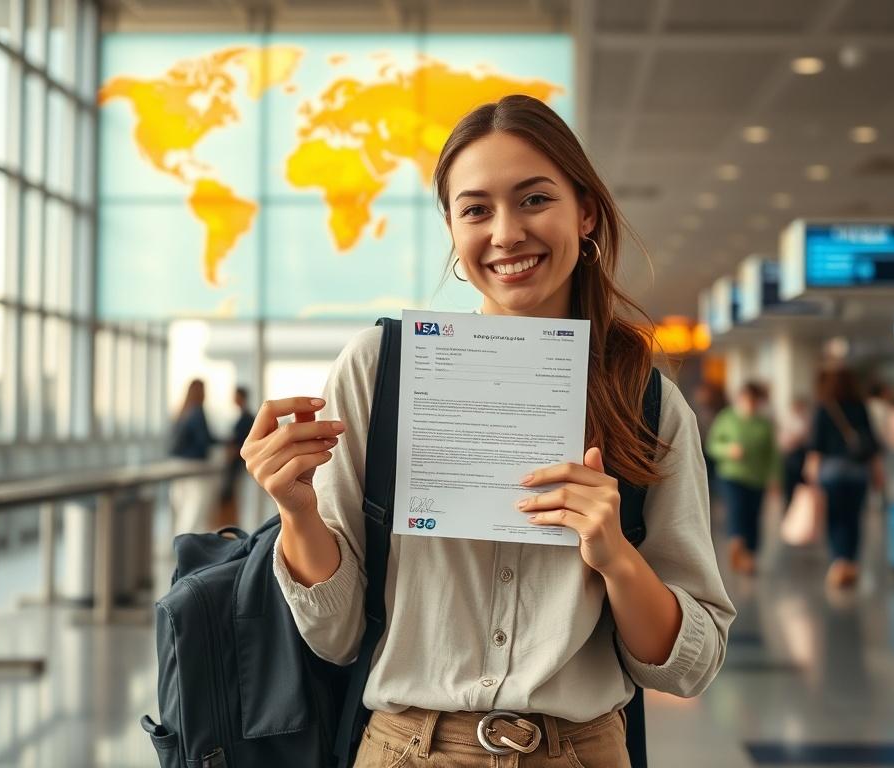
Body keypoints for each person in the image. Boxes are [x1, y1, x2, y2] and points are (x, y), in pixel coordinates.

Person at [240, 95, 734, 766]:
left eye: (534, 200)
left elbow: (686, 667)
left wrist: (616, 555)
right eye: (476, 209)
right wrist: (297, 511)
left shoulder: (644, 402)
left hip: (581, 752)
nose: (505, 233)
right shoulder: (380, 371)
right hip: (406, 749)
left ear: (585, 212)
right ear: (452, 227)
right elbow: (336, 636)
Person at [807, 367, 883, 589]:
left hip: (832, 471)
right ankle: (852, 562)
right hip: (858, 473)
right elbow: (872, 444)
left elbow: (816, 445)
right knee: (854, 518)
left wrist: (811, 474)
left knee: (835, 518)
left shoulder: (824, 408)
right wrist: (877, 472)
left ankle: (839, 562)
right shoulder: (861, 407)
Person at [706, 381, 778, 574]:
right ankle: (737, 543)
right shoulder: (727, 418)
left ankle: (750, 554)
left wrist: (775, 477)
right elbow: (712, 445)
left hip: (757, 478)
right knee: (737, 509)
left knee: (753, 515)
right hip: (731, 475)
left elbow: (772, 454)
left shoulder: (764, 424)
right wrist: (728, 450)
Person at [169, 378, 218, 535]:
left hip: (177, 465)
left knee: (182, 508)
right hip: (194, 467)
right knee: (194, 510)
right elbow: (204, 440)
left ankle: (180, 544)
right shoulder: (198, 412)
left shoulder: (183, 411)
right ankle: (187, 545)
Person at [215, 386, 256, 530]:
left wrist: (232, 451)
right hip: (239, 466)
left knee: (239, 500)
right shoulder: (244, 417)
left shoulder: (247, 418)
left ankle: (239, 529)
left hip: (241, 466)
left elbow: (242, 443)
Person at [777, 396, 812, 510]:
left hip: (801, 457)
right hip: (789, 457)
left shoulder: (806, 420)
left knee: (801, 487)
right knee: (789, 488)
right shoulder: (787, 420)